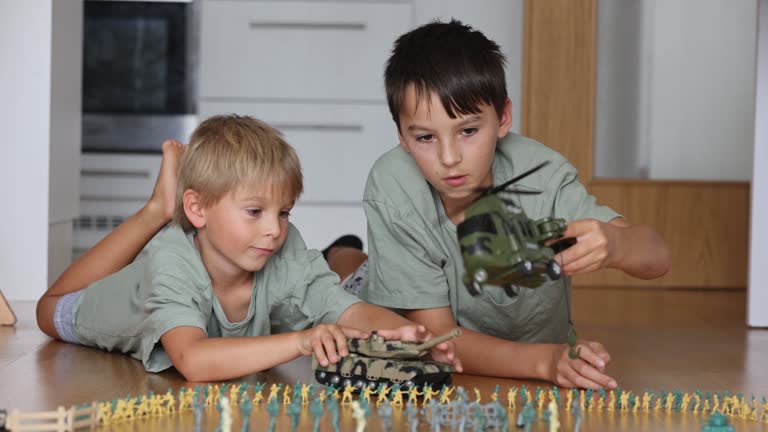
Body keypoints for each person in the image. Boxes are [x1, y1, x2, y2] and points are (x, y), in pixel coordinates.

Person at [352, 19, 670, 389]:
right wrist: (546, 362)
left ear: (503, 117)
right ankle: (344, 253)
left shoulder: (542, 176)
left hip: (503, 336)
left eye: (468, 131)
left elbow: (658, 259)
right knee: (353, 279)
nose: (449, 157)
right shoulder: (393, 184)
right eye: (425, 137)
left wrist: (617, 243)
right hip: (397, 306)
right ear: (402, 136)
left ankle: (351, 252)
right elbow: (437, 341)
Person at [36, 115, 459, 381]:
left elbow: (343, 307)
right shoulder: (172, 259)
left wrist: (403, 334)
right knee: (48, 310)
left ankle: (167, 205)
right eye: (255, 211)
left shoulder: (279, 246)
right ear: (198, 209)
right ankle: (157, 209)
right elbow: (195, 362)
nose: (274, 230)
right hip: (107, 304)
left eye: (284, 212)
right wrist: (302, 340)